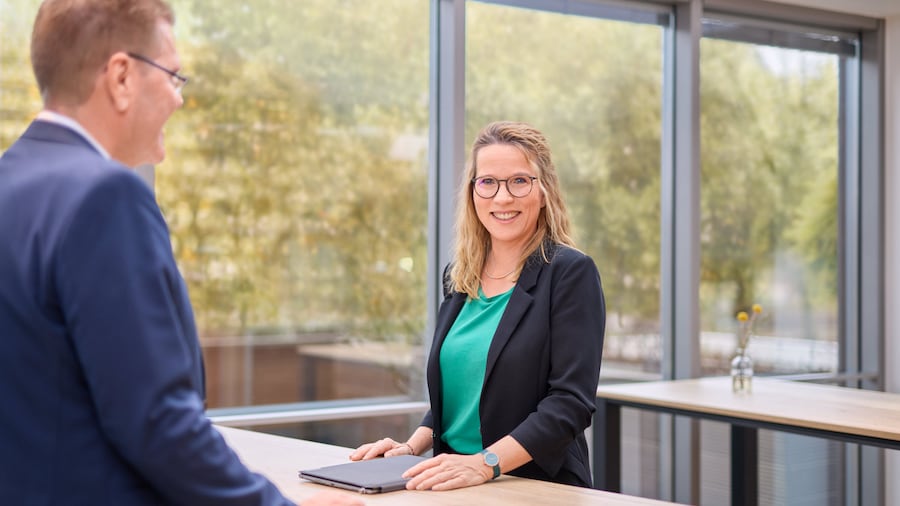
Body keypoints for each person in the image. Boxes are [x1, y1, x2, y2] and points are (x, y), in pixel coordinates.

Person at [0, 1, 362, 505]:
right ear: (121, 77)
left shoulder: (11, 183)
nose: (179, 98)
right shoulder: (106, 197)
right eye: (173, 76)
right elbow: (158, 424)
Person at [350, 121, 606, 490]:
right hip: (454, 483)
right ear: (473, 192)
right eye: (488, 182)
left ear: (544, 191)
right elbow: (463, 396)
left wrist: (484, 464)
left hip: (533, 486)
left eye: (519, 181)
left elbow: (570, 404)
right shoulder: (459, 276)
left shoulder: (570, 273)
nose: (502, 198)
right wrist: (409, 448)